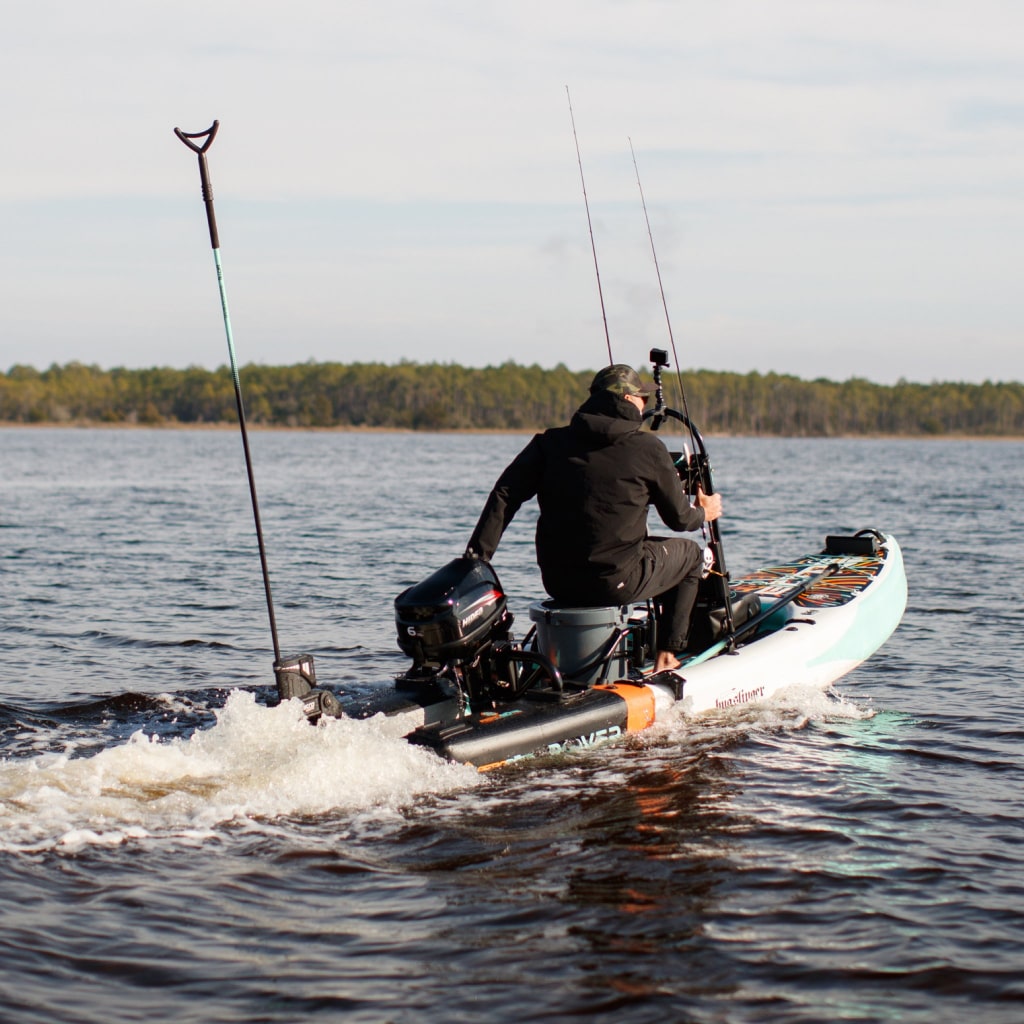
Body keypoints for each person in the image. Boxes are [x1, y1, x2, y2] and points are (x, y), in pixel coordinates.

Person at [465, 363, 722, 674]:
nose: (646, 403)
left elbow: (505, 494)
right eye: (642, 397)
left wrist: (477, 558)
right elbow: (681, 520)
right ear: (628, 400)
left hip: (558, 582)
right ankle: (668, 655)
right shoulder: (648, 448)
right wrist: (703, 511)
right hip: (616, 583)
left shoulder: (549, 443)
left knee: (645, 549)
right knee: (692, 556)